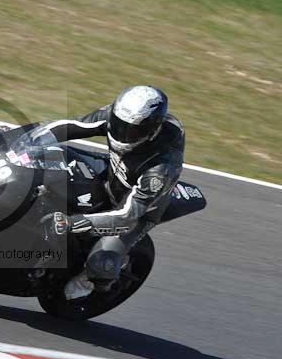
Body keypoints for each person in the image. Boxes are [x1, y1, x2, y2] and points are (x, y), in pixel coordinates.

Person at [38, 85, 185, 300]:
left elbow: (126, 216)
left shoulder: (160, 169)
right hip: (112, 174)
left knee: (100, 262)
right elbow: (72, 125)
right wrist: (24, 136)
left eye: (132, 131)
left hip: (138, 210)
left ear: (152, 129)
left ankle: (90, 280)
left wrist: (71, 223)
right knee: (49, 160)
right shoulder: (120, 114)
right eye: (118, 125)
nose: (122, 133)